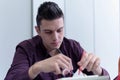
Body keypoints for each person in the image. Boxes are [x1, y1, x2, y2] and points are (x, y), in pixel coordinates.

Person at [5, 1, 110, 80]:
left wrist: (98, 70)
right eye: (48, 32)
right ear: (38, 30)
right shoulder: (25, 48)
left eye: (59, 30)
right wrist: (36, 68)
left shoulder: (72, 46)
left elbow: (106, 77)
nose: (56, 38)